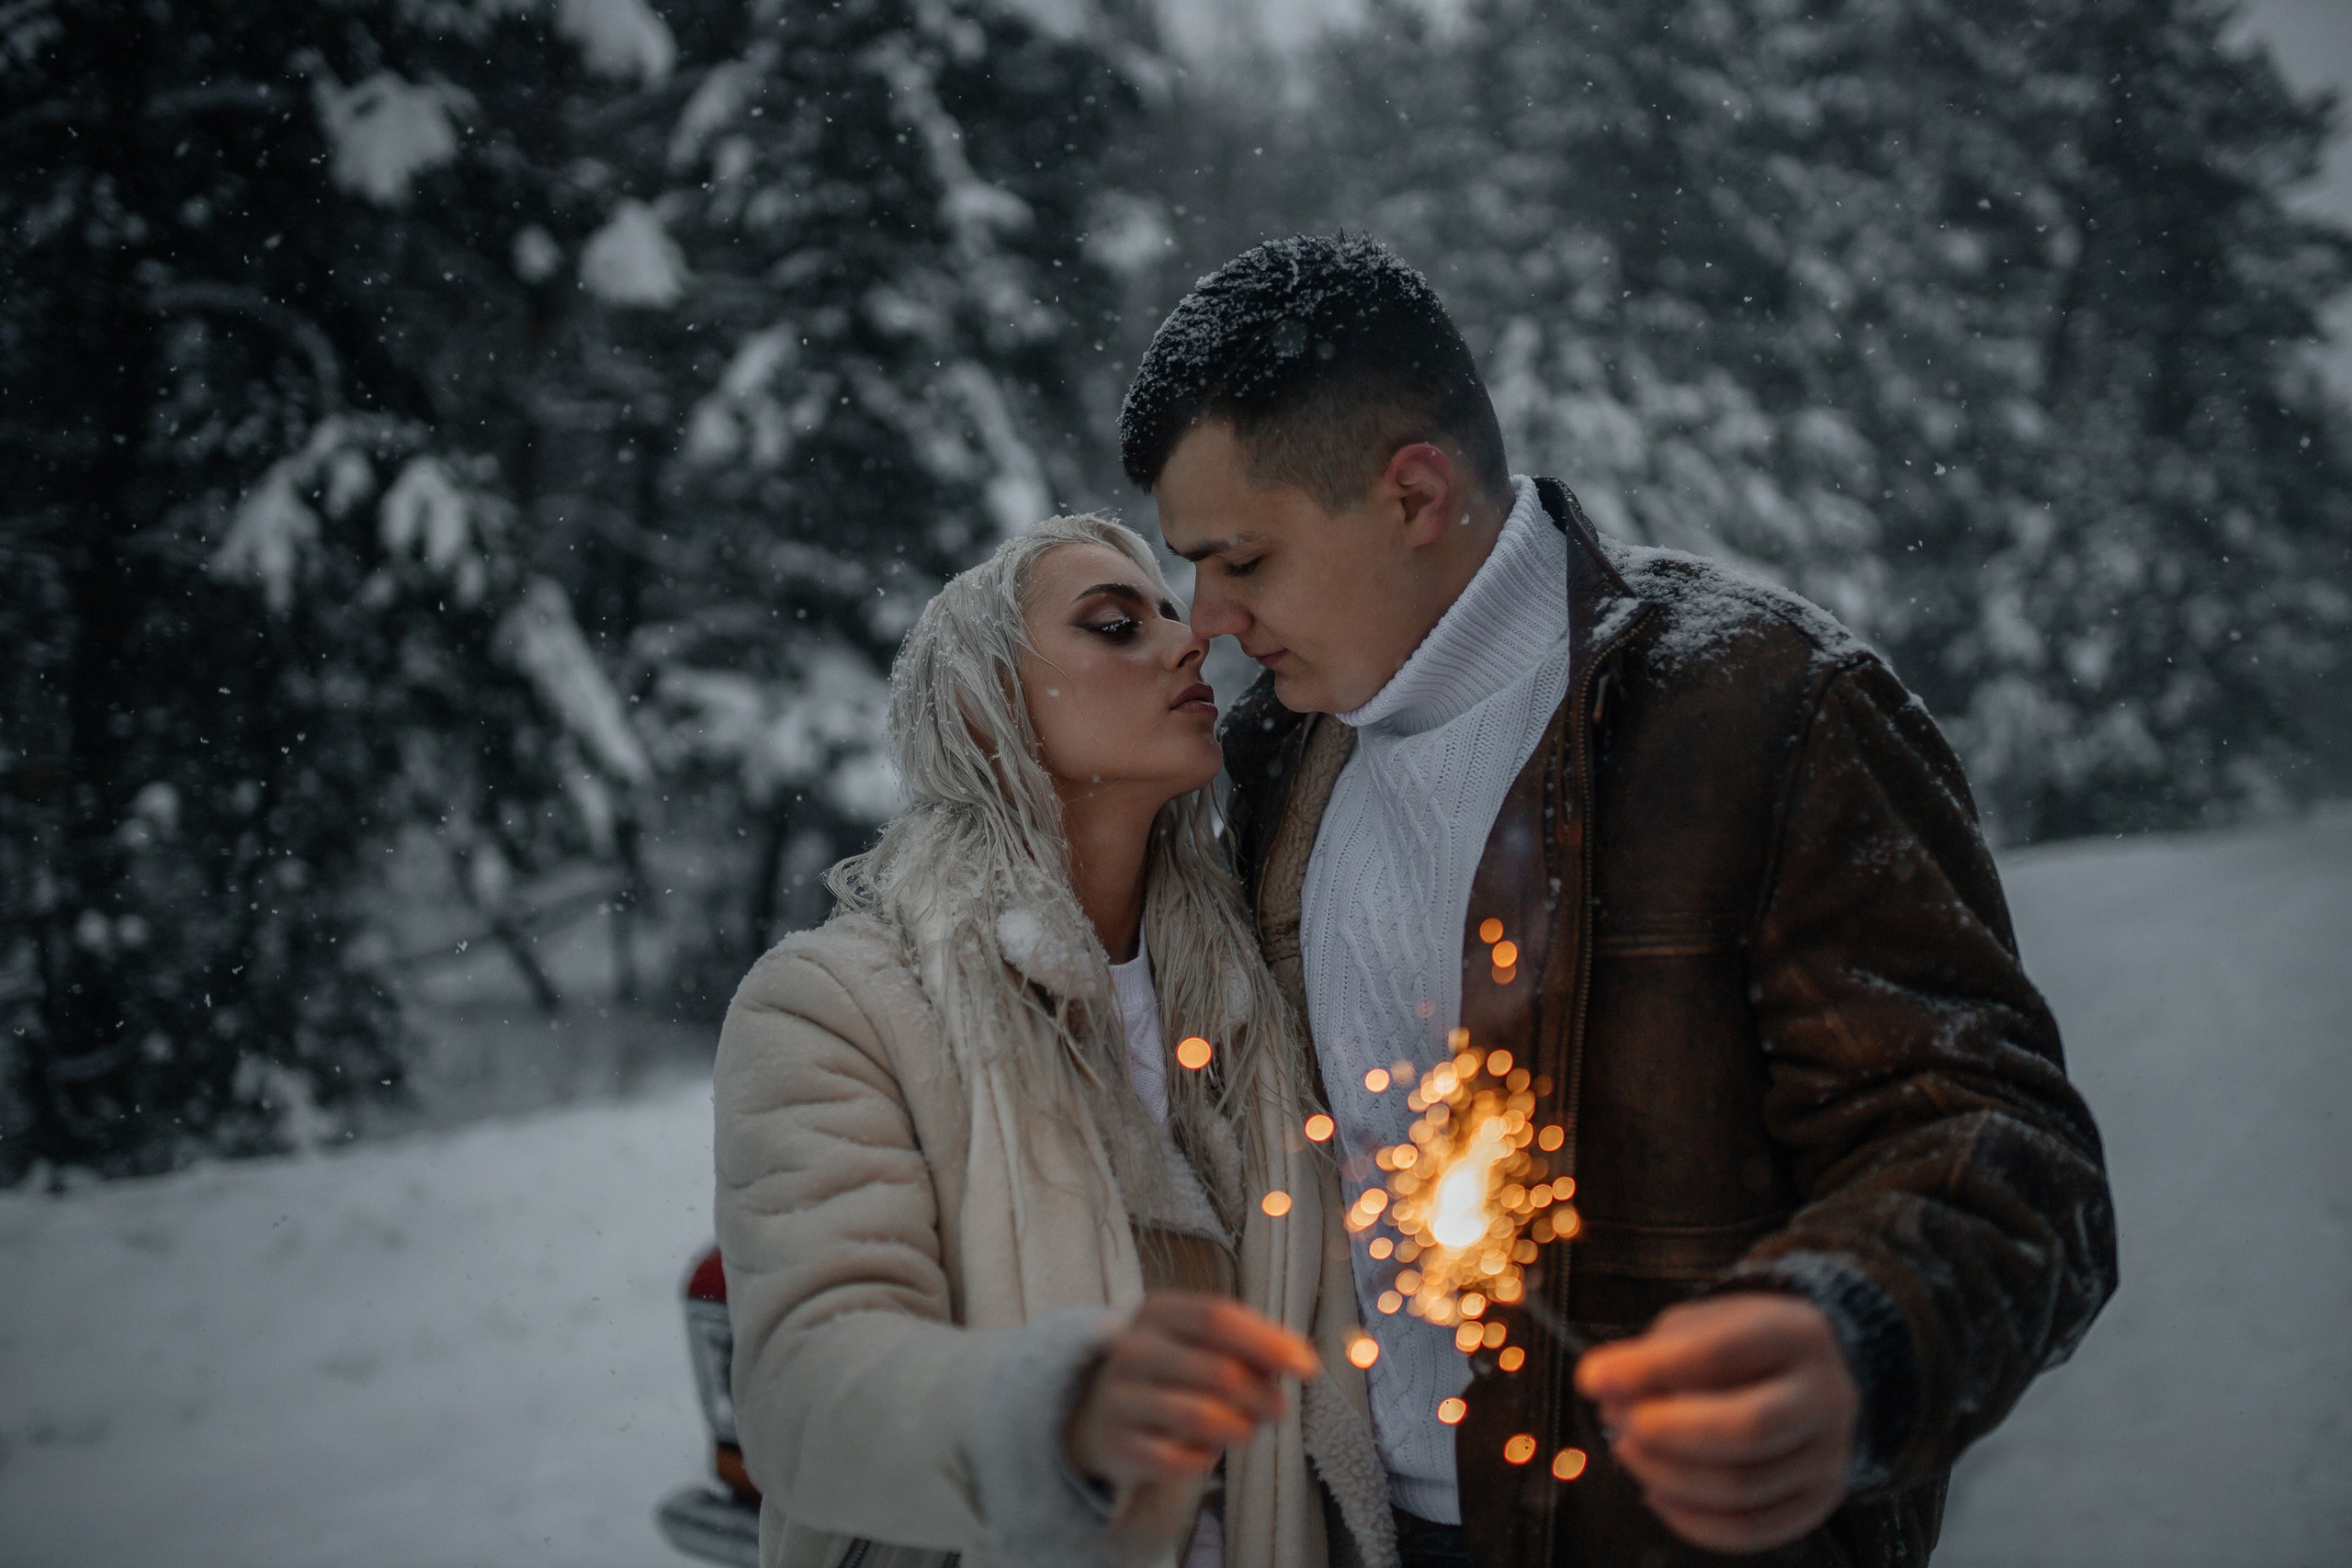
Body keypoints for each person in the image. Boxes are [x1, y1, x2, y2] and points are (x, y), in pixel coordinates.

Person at [1119, 236, 2118, 1568]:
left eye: (1240, 558)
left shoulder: (1765, 712)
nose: (1212, 616)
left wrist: (1856, 1331)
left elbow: (2007, 1146)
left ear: (1414, 493)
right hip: (1333, 1530)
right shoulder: (1269, 761)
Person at [712, 515, 1402, 1568]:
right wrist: (1056, 1410)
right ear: (985, 712)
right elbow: (803, 1388)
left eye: (1173, 617)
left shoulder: (1251, 999)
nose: (1188, 643)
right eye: (1116, 625)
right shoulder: (833, 1005)